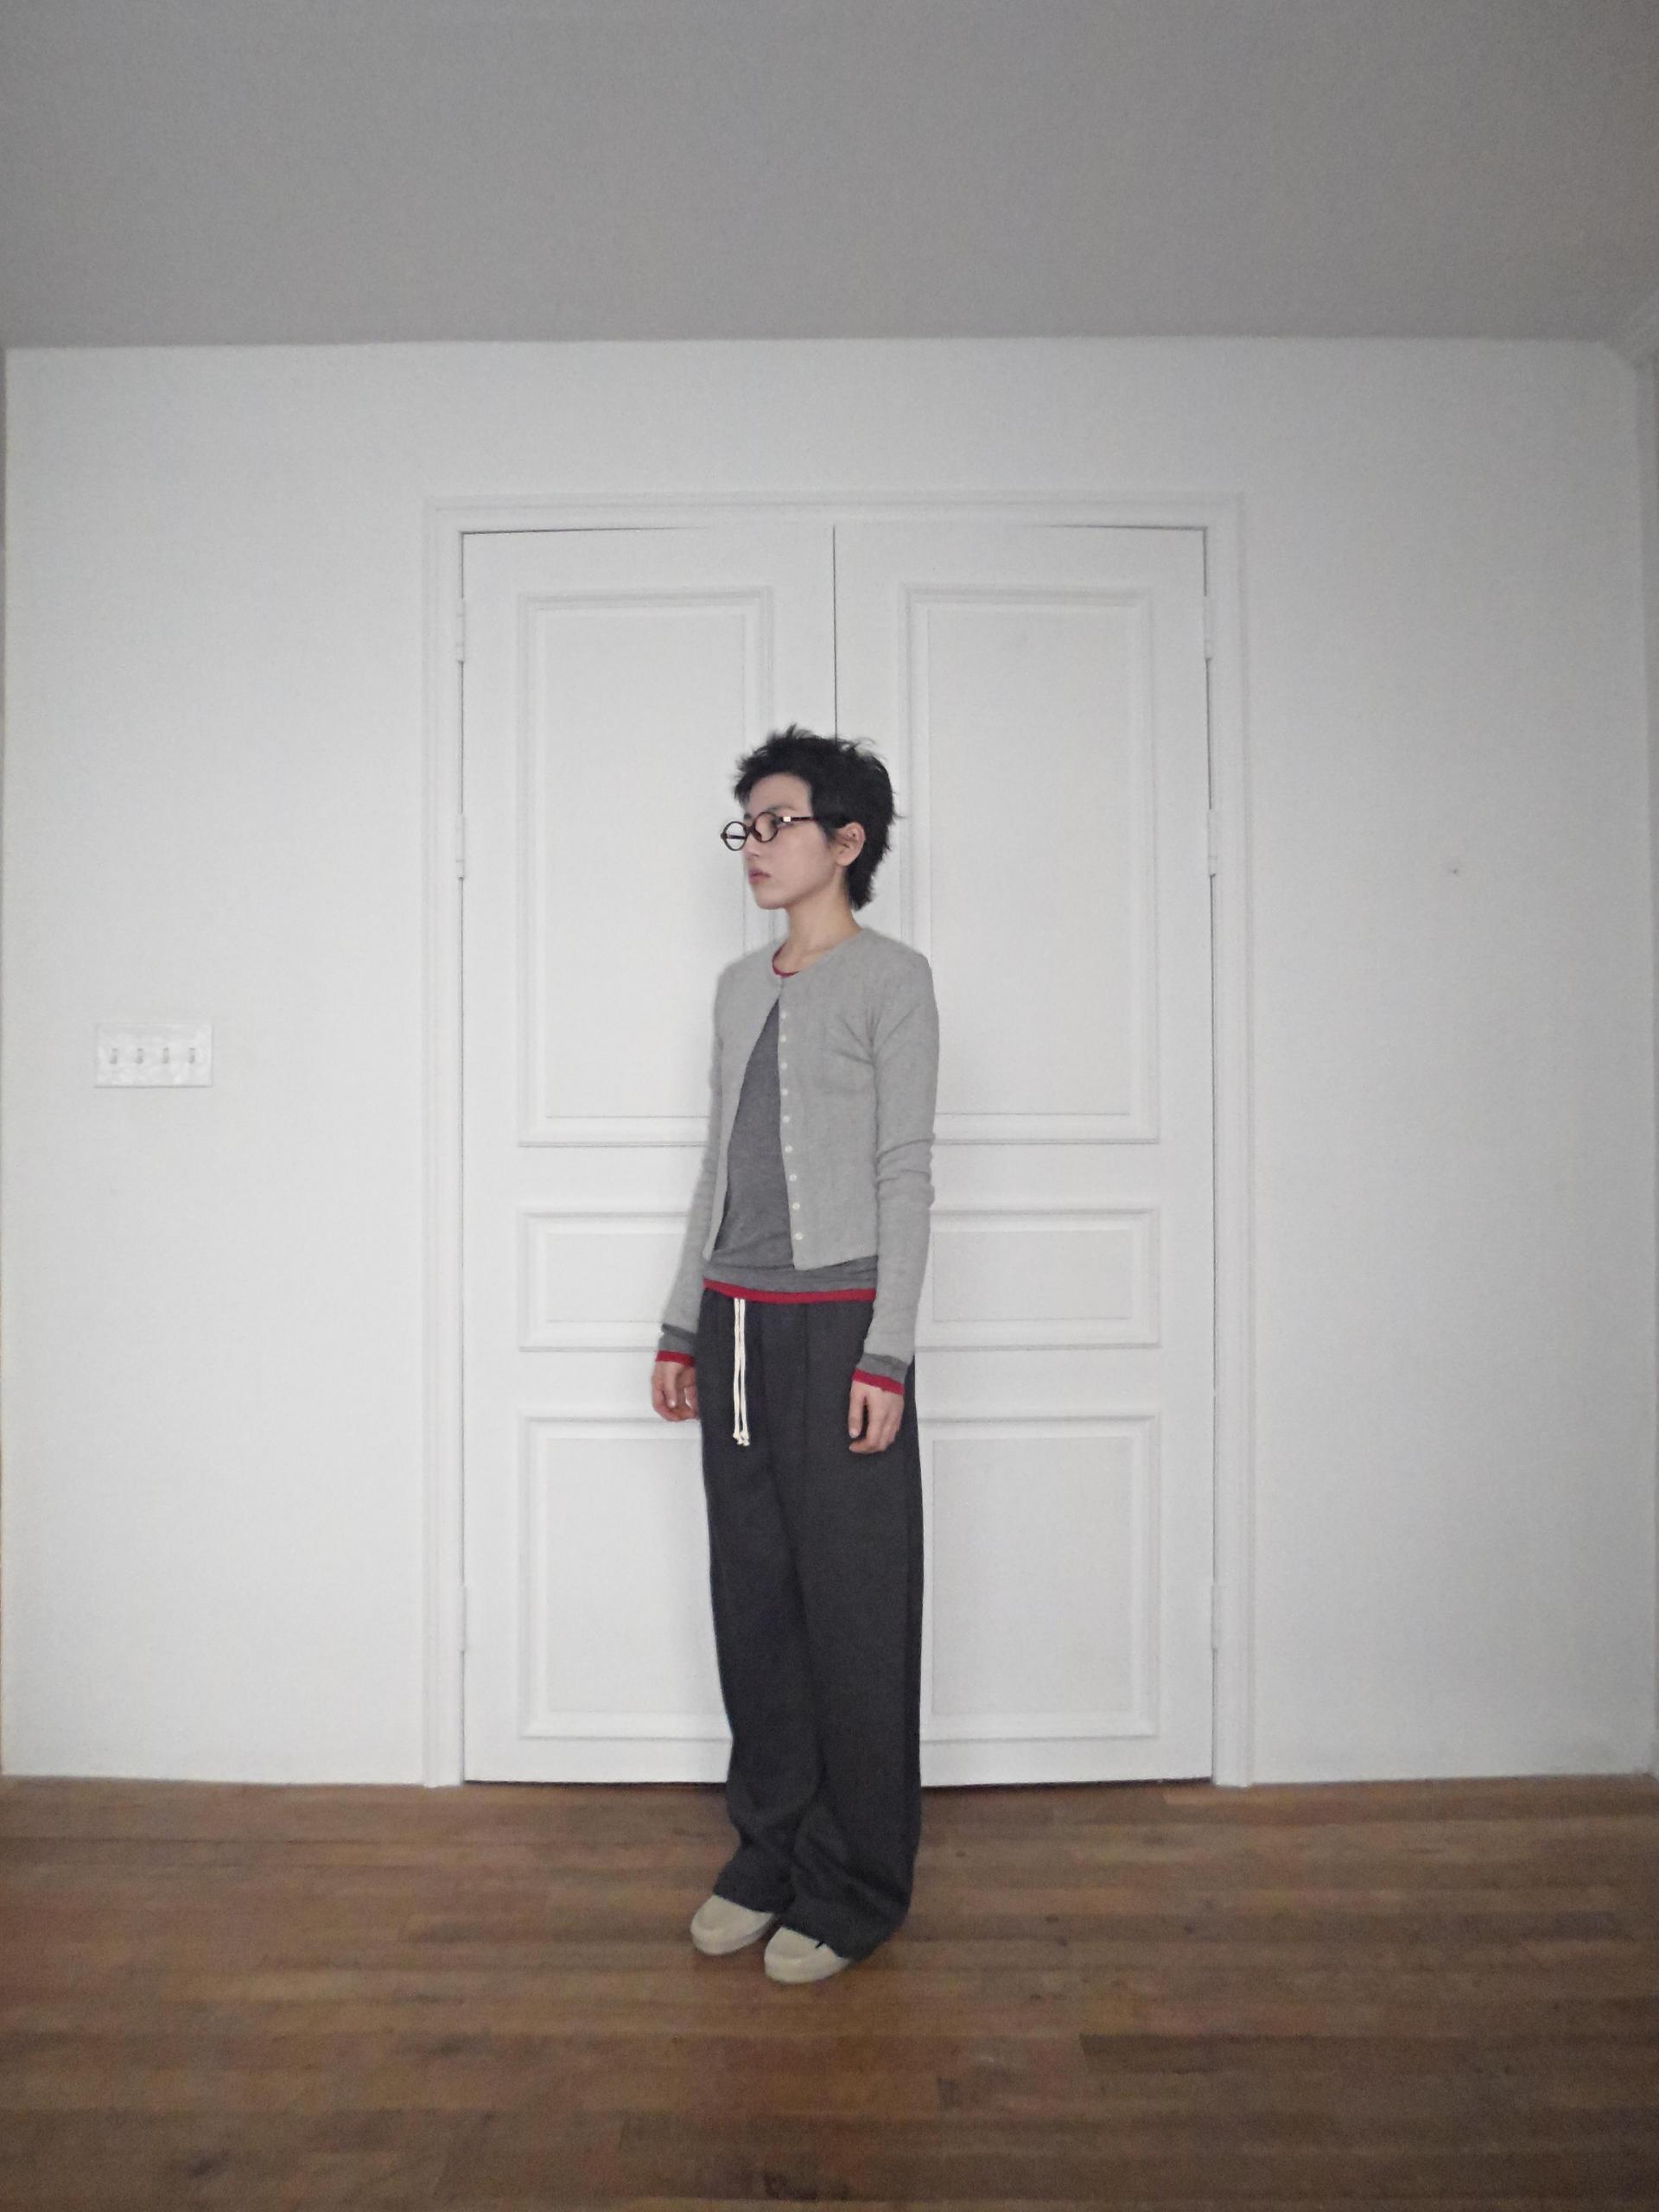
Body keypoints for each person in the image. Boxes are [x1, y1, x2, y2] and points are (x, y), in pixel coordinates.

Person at [650, 725, 940, 1984]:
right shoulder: (735, 986)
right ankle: (767, 1851)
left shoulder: (893, 980)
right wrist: (681, 1322)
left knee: (856, 1608)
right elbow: (715, 1166)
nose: (755, 846)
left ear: (847, 839)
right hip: (736, 1325)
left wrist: (888, 1355)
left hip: (841, 1331)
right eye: (747, 826)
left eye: (777, 823)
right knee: (756, 1600)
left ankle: (857, 1881)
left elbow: (905, 1173)